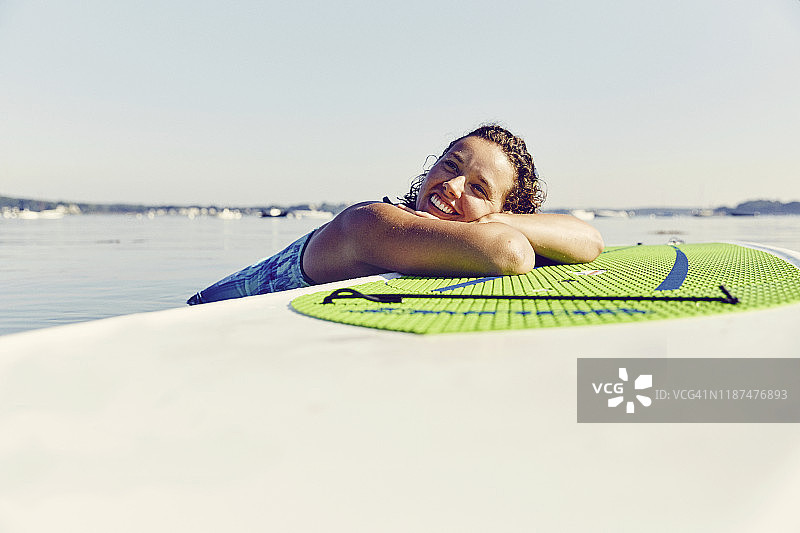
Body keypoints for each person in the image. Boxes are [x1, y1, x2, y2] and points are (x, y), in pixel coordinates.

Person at [187, 125, 603, 305]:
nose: (453, 186)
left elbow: (589, 239)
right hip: (201, 321)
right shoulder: (372, 222)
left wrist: (503, 219)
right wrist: (493, 223)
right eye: (451, 166)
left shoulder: (458, 237)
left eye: (478, 189)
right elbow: (510, 254)